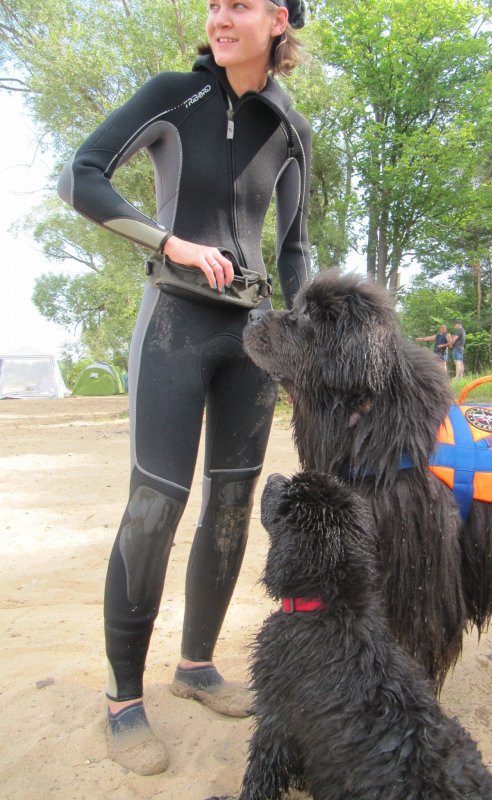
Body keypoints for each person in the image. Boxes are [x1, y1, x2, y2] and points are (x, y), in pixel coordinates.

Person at [57, 0, 310, 776]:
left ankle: (196, 666)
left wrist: (300, 348)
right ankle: (122, 699)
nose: (220, 16)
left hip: (252, 340)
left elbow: (295, 249)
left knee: (233, 504)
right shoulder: (176, 93)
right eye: (214, 4)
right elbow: (80, 177)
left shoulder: (289, 126)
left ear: (279, 20)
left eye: (239, 4)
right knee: (154, 504)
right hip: (173, 322)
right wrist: (169, 241)